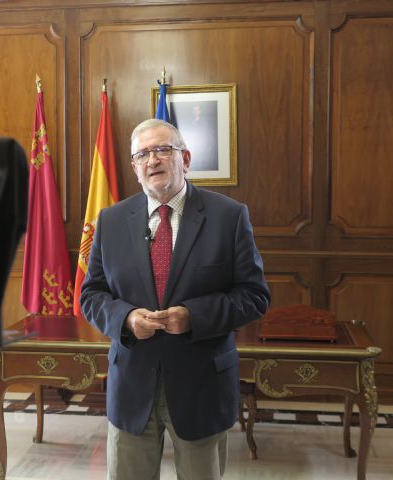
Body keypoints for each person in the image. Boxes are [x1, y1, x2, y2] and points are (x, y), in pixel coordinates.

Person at [80, 118, 270, 479]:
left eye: (162, 150)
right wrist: (125, 319)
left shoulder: (228, 217)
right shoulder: (111, 220)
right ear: (135, 168)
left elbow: (254, 296)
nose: (153, 160)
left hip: (202, 385)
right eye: (142, 154)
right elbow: (91, 294)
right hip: (132, 384)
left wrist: (194, 316)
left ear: (185, 157)